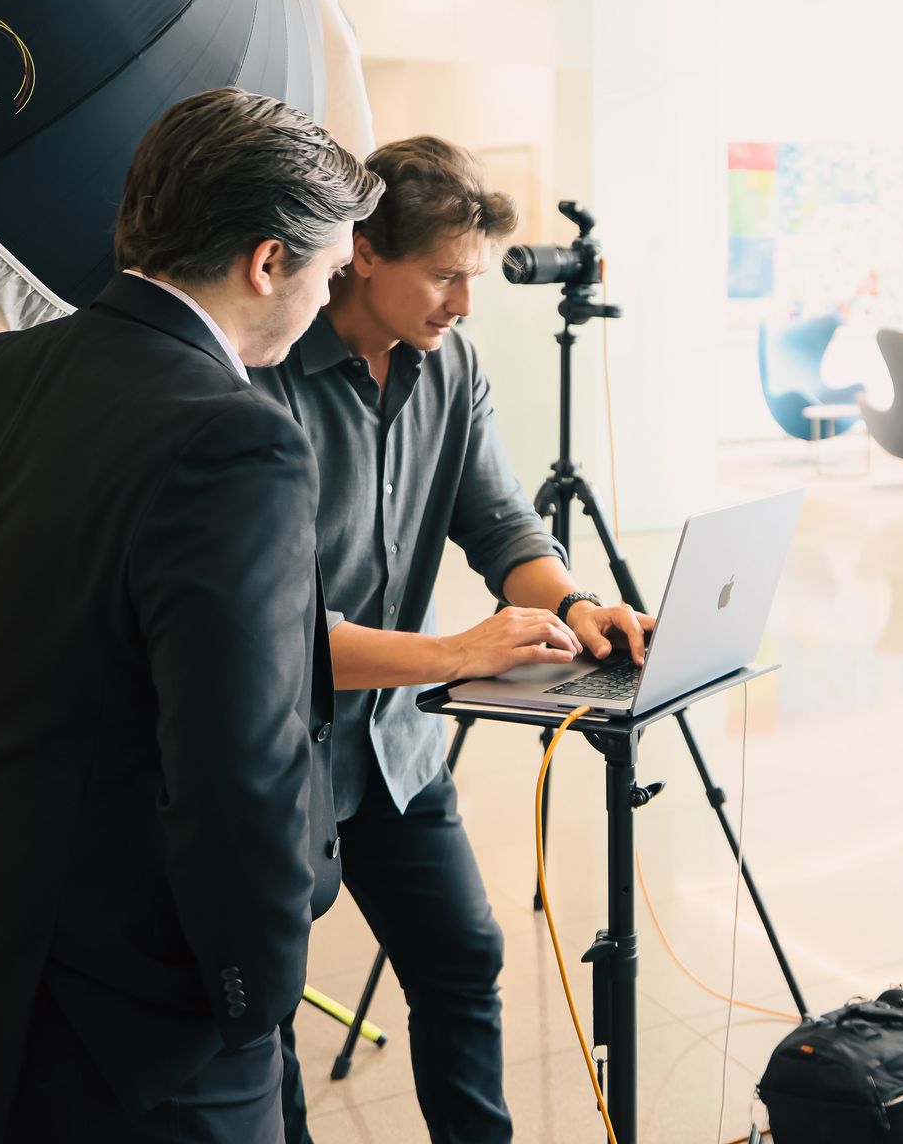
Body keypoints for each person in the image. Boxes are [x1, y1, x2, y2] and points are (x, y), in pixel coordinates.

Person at [0, 87, 384, 1143]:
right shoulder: (237, 439)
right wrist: (255, 994)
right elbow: (239, 763)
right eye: (329, 269)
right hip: (129, 1028)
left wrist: (49, 743)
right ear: (268, 260)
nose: (328, 299)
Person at [253, 136, 651, 1143]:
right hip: (276, 753)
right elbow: (276, 634)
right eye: (444, 276)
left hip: (397, 749)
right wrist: (457, 653)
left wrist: (574, 605)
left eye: (471, 279)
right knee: (265, 1005)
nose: (462, 304)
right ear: (363, 254)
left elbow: (503, 524)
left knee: (463, 959)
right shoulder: (264, 383)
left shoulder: (450, 363)